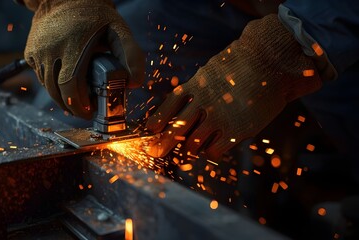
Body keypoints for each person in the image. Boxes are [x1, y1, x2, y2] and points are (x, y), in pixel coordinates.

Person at [19, 0, 359, 238]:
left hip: (321, 11)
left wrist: (287, 48)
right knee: (103, 77)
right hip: (200, 5)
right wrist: (57, 2)